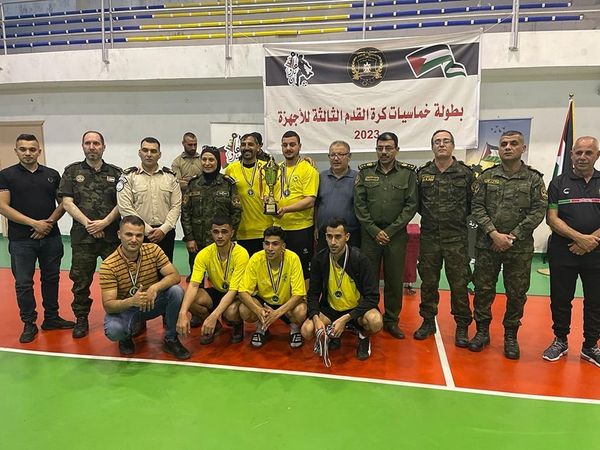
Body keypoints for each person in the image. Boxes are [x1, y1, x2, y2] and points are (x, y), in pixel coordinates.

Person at [469, 130, 547, 359]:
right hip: (487, 245)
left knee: (517, 292)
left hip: (518, 248)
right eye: (504, 144)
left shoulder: (534, 178)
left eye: (514, 143)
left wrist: (511, 236)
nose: (508, 147)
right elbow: (477, 206)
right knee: (483, 289)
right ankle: (482, 332)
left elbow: (538, 211)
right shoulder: (486, 176)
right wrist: (494, 234)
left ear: (523, 148)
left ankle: (511, 336)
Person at [0, 134, 74, 343]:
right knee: (23, 283)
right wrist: (34, 223)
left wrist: (47, 224)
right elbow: (2, 206)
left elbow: (64, 203)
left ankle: (51, 318)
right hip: (21, 241)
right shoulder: (6, 175)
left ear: (39, 151)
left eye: (32, 149)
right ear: (16, 151)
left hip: (51, 238)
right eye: (23, 149)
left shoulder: (52, 175)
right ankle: (29, 323)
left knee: (51, 279)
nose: (27, 153)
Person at [354, 131, 418, 339]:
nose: (384, 152)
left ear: (396, 150)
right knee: (368, 279)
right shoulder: (365, 172)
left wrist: (389, 231)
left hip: (395, 236)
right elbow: (359, 205)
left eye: (388, 148)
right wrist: (375, 231)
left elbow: (411, 206)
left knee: (394, 280)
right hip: (370, 236)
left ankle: (391, 320)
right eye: (380, 148)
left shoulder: (408, 174)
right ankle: (367, 317)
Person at [543, 136, 600, 367]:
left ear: (597, 155)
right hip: (563, 250)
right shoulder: (558, 183)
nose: (583, 157)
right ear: (571, 155)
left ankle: (590, 346)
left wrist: (591, 240)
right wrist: (579, 239)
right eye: (578, 152)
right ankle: (560, 340)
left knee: (596, 300)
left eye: (588, 152)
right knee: (560, 298)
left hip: (597, 251)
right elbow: (552, 218)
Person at [59, 130, 122, 338]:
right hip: (83, 238)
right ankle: (81, 318)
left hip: (111, 237)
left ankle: (122, 316)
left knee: (118, 278)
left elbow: (123, 203)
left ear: (103, 147)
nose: (92, 147)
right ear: (83, 146)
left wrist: (104, 223)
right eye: (88, 143)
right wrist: (89, 224)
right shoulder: (72, 171)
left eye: (96, 143)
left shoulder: (116, 173)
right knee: (81, 280)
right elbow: (67, 202)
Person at [99, 215, 191, 359]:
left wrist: (155, 288)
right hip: (127, 308)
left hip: (151, 303)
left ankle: (171, 339)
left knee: (176, 291)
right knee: (114, 330)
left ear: (144, 236)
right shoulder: (108, 265)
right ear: (119, 234)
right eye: (129, 234)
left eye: (139, 235)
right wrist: (132, 301)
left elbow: (175, 276)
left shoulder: (153, 250)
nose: (134, 240)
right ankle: (125, 338)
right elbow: (108, 306)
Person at [414, 130, 474, 347]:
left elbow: (472, 203)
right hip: (429, 237)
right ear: (432, 147)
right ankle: (428, 321)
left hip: (456, 238)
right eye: (437, 142)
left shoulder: (465, 174)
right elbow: (418, 204)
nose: (441, 145)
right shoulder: (422, 174)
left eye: (445, 141)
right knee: (428, 282)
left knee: (459, 284)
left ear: (452, 145)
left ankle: (462, 325)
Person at [302, 218, 382, 360]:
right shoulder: (319, 259)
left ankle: (363, 336)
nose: (333, 242)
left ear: (347, 237)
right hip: (331, 310)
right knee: (307, 330)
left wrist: (345, 319)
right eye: (329, 236)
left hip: (356, 311)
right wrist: (316, 318)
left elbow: (373, 297)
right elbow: (313, 294)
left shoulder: (360, 259)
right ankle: (332, 334)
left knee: (375, 321)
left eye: (338, 237)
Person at [177, 216, 249, 345]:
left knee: (231, 313)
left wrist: (214, 316)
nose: (220, 236)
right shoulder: (204, 253)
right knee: (187, 299)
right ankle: (214, 326)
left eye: (224, 232)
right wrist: (182, 313)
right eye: (216, 232)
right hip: (216, 290)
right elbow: (193, 285)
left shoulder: (241, 254)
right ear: (211, 233)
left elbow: (233, 290)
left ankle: (237, 324)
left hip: (235, 295)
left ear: (232, 233)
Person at [238, 226, 307, 348]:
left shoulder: (293, 258)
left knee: (301, 311)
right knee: (244, 310)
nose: (270, 248)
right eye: (267, 243)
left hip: (286, 303)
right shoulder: (256, 258)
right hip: (263, 304)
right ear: (263, 244)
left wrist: (276, 313)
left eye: (275, 244)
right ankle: (261, 327)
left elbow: (299, 294)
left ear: (283, 246)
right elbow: (242, 292)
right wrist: (258, 310)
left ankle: (294, 329)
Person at [117, 137, 181, 262]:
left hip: (165, 234)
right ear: (139, 152)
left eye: (153, 151)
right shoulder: (129, 177)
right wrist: (146, 230)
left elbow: (176, 206)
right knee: (137, 270)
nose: (149, 154)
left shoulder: (170, 177)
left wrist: (163, 230)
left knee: (165, 270)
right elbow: (125, 207)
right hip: (137, 234)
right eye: (145, 150)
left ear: (159, 154)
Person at [181, 145, 241, 272]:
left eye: (211, 159)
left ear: (217, 161)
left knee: (222, 276)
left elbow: (236, 212)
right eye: (204, 159)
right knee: (197, 277)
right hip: (198, 241)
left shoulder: (228, 183)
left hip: (222, 240)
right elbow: (185, 213)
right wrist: (189, 238)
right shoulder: (193, 183)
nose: (207, 163)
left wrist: (230, 236)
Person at [274, 131, 319, 280]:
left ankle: (304, 296)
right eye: (285, 145)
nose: (288, 148)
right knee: (281, 269)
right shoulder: (275, 169)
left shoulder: (308, 169)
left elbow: (310, 200)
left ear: (299, 146)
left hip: (301, 229)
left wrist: (285, 209)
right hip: (279, 228)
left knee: (302, 270)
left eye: (292, 144)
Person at [224, 133, 273, 256]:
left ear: (258, 147)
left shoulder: (267, 168)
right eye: (243, 144)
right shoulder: (231, 169)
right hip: (242, 231)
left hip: (265, 229)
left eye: (250, 144)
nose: (246, 147)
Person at [315, 141, 360, 252]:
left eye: (340, 154)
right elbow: (315, 205)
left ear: (349, 156)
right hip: (325, 234)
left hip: (350, 235)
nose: (336, 158)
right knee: (323, 262)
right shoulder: (320, 177)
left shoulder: (358, 178)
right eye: (332, 155)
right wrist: (315, 227)